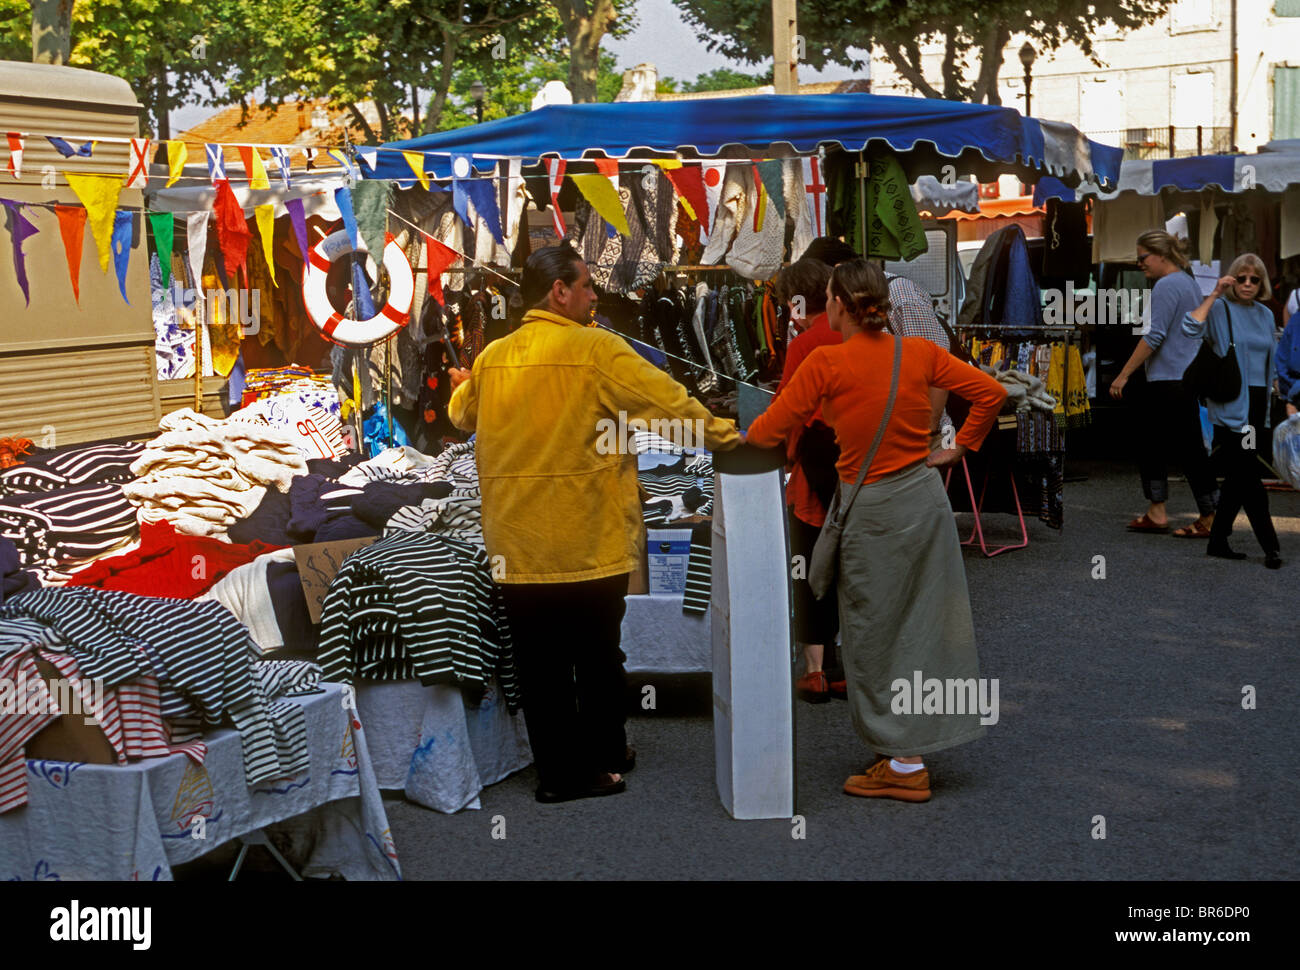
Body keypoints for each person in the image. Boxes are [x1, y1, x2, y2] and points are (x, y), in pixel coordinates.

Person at [447, 244, 742, 803]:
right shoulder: (597, 349)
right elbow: (670, 406)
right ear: (558, 291)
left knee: (540, 665)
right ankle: (600, 756)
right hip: (586, 535)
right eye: (586, 286)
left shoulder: (495, 356)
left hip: (516, 543)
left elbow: (463, 413)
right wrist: (731, 438)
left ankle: (559, 770)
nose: (594, 295)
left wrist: (467, 378)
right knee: (598, 654)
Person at [745, 259, 1007, 803]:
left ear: (838, 304)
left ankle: (905, 764)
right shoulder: (919, 352)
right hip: (925, 500)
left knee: (872, 631)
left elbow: (769, 428)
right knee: (923, 627)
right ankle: (907, 746)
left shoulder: (824, 363)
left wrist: (734, 433)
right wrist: (960, 446)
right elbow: (992, 394)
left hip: (871, 510)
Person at [1108, 231, 1219, 537]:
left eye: (1142, 257)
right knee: (1167, 443)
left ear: (1160, 255)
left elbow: (1154, 335)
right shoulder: (1187, 282)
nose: (1140, 264)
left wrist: (1124, 373)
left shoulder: (1167, 285)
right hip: (1181, 374)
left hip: (1170, 376)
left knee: (1176, 446)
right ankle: (1161, 511)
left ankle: (1205, 514)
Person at [1181, 253, 1283, 568]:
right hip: (1229, 401)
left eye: (1254, 279)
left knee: (1241, 474)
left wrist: (1276, 385)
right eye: (1242, 278)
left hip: (1256, 405)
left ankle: (1217, 540)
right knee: (1248, 474)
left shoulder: (1266, 314)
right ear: (1232, 280)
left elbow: (1271, 356)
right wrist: (1213, 294)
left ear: (1262, 282)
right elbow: (1189, 327)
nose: (1248, 284)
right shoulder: (1221, 309)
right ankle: (1271, 547)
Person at [773, 258, 844, 703]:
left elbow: (788, 410)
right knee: (851, 570)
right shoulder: (866, 337)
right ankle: (848, 666)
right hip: (859, 469)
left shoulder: (805, 345)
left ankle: (815, 670)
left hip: (814, 475)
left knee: (810, 571)